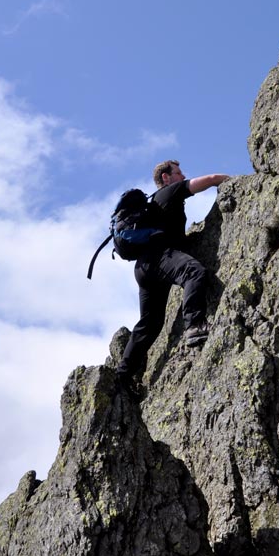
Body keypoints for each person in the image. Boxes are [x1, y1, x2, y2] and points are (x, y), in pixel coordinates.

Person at [116, 160, 230, 395]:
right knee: (193, 272)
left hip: (144, 269)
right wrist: (234, 182)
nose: (183, 175)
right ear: (166, 177)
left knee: (150, 323)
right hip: (159, 258)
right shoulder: (170, 191)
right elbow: (209, 180)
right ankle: (195, 325)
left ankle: (122, 377)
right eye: (178, 173)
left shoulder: (154, 205)